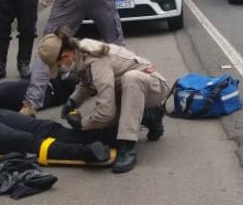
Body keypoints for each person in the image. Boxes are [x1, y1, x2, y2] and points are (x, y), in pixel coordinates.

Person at [37, 28, 168, 174]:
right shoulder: (81, 53)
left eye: (59, 65)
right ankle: (150, 116)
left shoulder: (95, 59)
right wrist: (72, 102)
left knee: (130, 80)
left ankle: (127, 147)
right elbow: (86, 84)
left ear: (65, 55)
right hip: (130, 93)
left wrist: (82, 123)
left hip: (153, 86)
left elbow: (106, 112)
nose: (61, 69)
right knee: (108, 128)